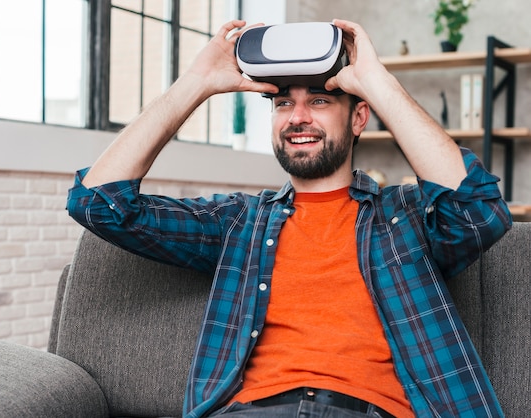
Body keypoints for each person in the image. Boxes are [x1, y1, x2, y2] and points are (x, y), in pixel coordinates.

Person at [67, 19, 511, 418]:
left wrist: (377, 82)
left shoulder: (405, 217)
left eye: (319, 100)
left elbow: (478, 213)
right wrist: (196, 83)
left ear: (359, 117)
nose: (297, 117)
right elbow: (99, 203)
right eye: (282, 103)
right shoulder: (239, 221)